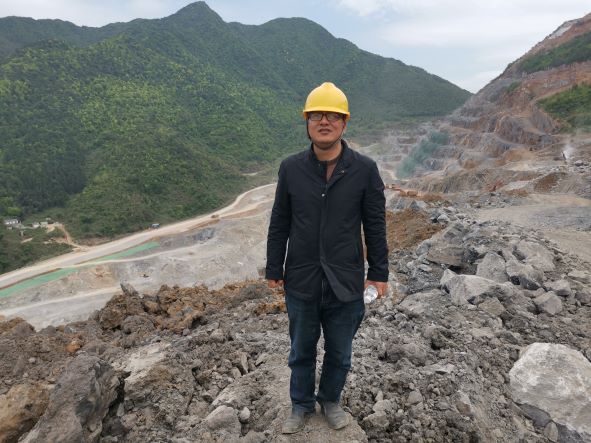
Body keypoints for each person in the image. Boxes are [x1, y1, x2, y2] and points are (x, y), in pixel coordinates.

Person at [265, 82, 389, 434]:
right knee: (301, 350)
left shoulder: (365, 169)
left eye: (333, 116)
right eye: (317, 115)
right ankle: (300, 404)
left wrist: (379, 273)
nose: (324, 121)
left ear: (344, 123)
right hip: (301, 278)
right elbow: (280, 221)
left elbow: (375, 225)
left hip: (345, 280)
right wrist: (274, 266)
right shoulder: (291, 169)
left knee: (340, 352)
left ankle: (330, 400)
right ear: (307, 122)